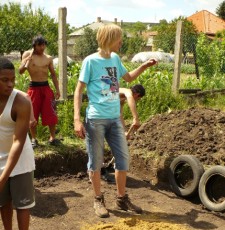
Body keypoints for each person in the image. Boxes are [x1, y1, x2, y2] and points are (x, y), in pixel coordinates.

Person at [74, 24, 157, 218]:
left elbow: (128, 78)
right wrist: (77, 119)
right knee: (95, 161)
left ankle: (121, 198)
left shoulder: (115, 59)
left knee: (123, 159)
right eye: (119, 38)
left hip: (114, 119)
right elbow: (78, 90)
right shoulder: (90, 61)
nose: (121, 42)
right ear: (110, 38)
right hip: (96, 119)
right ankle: (98, 199)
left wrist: (144, 66)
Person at [0, 57, 35, 230]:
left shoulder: (21, 101)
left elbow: (18, 141)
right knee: (3, 202)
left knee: (22, 204)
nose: (11, 84)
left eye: (12, 79)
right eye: (4, 80)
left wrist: (3, 176)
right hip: (0, 156)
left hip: (20, 158)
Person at [19, 35, 60, 147]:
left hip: (46, 88)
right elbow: (21, 71)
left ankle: (52, 138)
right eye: (39, 45)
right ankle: (34, 139)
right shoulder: (27, 55)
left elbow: (53, 75)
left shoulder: (48, 58)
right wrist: (25, 62)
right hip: (33, 88)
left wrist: (57, 89)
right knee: (33, 114)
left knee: (50, 113)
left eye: (43, 45)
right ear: (34, 46)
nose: (42, 47)